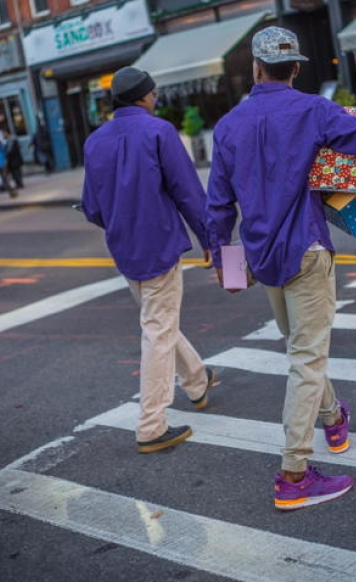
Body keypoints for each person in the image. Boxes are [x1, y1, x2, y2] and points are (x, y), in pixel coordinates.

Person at [206, 26, 356, 511]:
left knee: (301, 349)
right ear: (294, 69)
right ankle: (294, 473)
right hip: (307, 248)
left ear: (254, 68)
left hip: (264, 256)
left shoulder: (228, 125)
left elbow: (219, 205)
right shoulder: (314, 109)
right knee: (307, 359)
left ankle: (334, 421)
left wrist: (219, 256)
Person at [81, 67, 215, 454]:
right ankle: (151, 424)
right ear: (143, 97)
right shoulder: (159, 131)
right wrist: (210, 239)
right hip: (159, 244)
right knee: (158, 329)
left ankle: (197, 380)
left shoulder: (94, 142)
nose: (156, 99)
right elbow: (188, 191)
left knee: (159, 321)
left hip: (124, 247)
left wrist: (117, 221)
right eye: (154, 94)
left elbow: (92, 207)